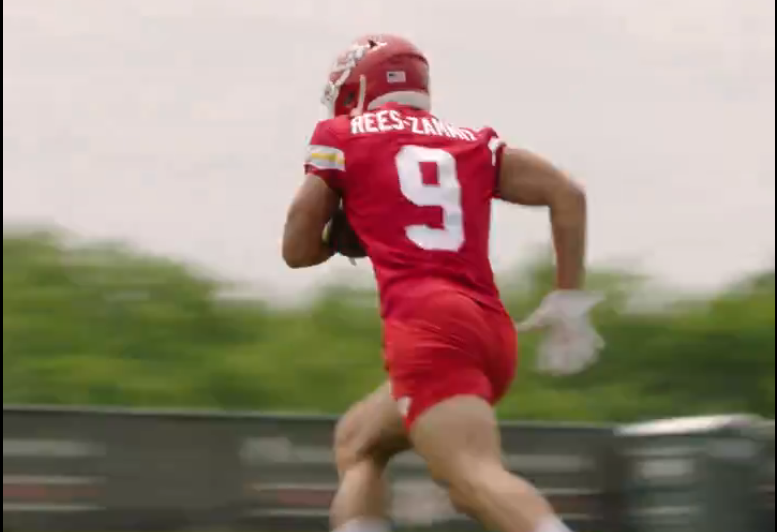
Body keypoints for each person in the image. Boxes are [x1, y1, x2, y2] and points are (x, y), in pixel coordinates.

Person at [282, 34, 604, 532]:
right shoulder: (470, 140)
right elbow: (567, 194)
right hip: (489, 330)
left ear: (356, 88)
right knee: (359, 441)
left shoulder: (341, 134)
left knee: (472, 479)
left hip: (428, 325)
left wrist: (345, 237)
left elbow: (296, 249)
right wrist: (569, 298)